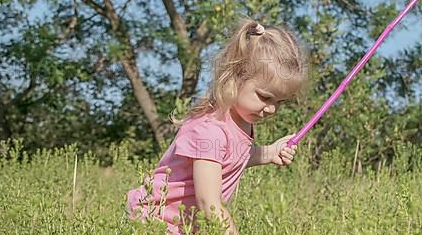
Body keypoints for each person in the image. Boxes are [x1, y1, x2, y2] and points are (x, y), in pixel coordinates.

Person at [126, 18, 309, 234]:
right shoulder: (209, 130)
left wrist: (268, 153)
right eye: (265, 97)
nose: (271, 109)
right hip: (153, 222)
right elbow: (209, 204)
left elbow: (232, 158)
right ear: (236, 77)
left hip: (185, 226)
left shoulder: (239, 121)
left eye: (280, 102)